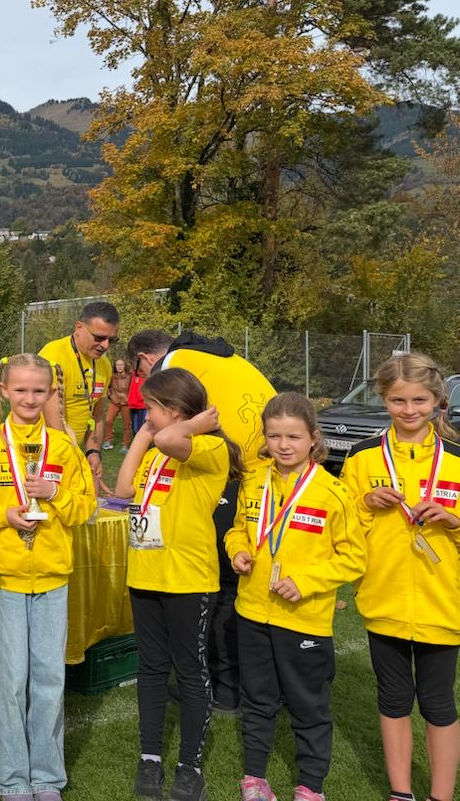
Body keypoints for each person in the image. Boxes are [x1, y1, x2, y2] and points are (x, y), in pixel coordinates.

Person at [113, 367, 245, 801]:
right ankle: (150, 757)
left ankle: (190, 766)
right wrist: (142, 434)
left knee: (190, 669)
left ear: (174, 410)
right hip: (146, 573)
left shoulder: (207, 446)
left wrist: (188, 425)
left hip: (187, 578)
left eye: (150, 407)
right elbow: (124, 488)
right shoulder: (157, 450)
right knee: (151, 667)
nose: (144, 413)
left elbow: (172, 438)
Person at [226, 393, 366, 801]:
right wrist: (237, 550)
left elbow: (354, 557)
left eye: (293, 437)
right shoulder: (254, 482)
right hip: (252, 612)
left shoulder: (332, 493)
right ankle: (254, 779)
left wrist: (305, 580)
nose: (283, 445)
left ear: (313, 438)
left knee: (308, 704)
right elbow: (238, 528)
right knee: (257, 700)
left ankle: (310, 787)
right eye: (274, 436)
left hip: (304, 619)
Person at [127, 328, 276, 713]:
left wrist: (183, 428)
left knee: (225, 588)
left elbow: (169, 436)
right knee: (238, 584)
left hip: (220, 469)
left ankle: (223, 685)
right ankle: (245, 680)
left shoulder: (173, 365)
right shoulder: (226, 360)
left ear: (147, 360)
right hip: (262, 470)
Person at [0, 354, 93, 801]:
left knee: (48, 678)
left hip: (53, 576)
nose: (29, 398)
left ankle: (46, 777)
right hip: (5, 576)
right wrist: (2, 515)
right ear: (4, 391)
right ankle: (12, 780)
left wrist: (55, 493)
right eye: (20, 389)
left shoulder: (63, 447)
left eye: (39, 391)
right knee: (11, 679)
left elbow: (86, 507)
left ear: (51, 394)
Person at [340, 352, 460, 801]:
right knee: (392, 698)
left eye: (419, 400)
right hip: (383, 598)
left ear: (437, 401)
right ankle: (401, 792)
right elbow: (343, 530)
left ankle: (441, 796)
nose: (409, 410)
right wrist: (365, 505)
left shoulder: (457, 459)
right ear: (383, 399)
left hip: (444, 602)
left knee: (438, 702)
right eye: (398, 400)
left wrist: (454, 521)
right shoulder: (362, 457)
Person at [38, 301, 119, 488]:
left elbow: (97, 415)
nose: (105, 346)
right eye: (99, 338)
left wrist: (93, 453)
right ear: (79, 327)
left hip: (71, 453)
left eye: (112, 340)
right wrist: (77, 466)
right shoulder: (53, 356)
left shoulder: (104, 364)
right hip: (44, 454)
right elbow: (54, 421)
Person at [103, 357, 133, 451]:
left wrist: (130, 399)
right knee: (108, 420)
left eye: (121, 364)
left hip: (126, 403)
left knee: (126, 425)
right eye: (117, 365)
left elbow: (134, 389)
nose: (119, 367)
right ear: (115, 366)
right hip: (114, 401)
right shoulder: (111, 376)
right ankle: (108, 441)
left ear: (124, 366)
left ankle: (126, 445)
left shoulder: (130, 377)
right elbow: (107, 387)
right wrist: (110, 395)